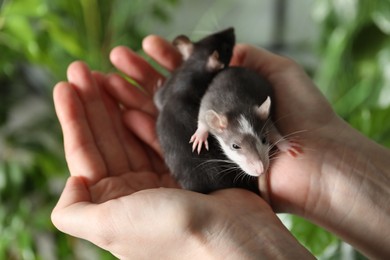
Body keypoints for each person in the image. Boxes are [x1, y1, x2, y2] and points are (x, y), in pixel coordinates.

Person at [51, 34, 390, 259]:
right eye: (241, 150)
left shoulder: (252, 117)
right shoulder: (215, 118)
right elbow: (207, 113)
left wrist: (286, 144)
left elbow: (263, 126)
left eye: (258, 146)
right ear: (218, 128)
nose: (260, 166)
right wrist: (200, 130)